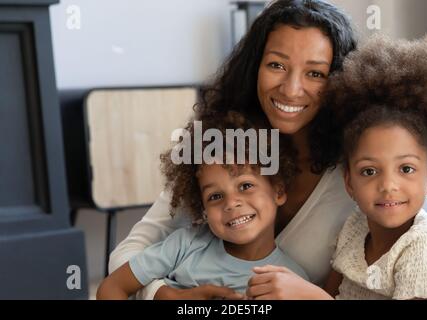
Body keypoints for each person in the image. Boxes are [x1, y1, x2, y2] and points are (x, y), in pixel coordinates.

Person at [109, 0, 427, 300]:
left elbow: (423, 233)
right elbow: (129, 253)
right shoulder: (225, 149)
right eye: (276, 65)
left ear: (340, 82)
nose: (291, 88)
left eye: (315, 73)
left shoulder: (364, 169)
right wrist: (164, 294)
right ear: (254, 68)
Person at [271, 33, 427, 300]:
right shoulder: (355, 227)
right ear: (349, 183)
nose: (388, 186)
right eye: (369, 171)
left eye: (406, 169)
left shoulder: (423, 246)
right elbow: (330, 293)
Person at [97, 112, 308, 299]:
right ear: (203, 208)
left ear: (278, 191)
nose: (231, 203)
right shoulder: (185, 244)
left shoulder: (291, 281)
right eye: (215, 196)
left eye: (245, 186)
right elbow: (111, 287)